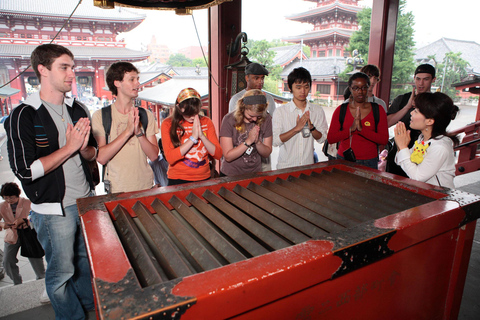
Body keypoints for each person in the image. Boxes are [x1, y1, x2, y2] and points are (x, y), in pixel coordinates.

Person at [4, 44, 96, 319]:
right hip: (54, 209)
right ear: (43, 70)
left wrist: (82, 149)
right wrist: (69, 147)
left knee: (84, 262)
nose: (72, 73)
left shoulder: (77, 108)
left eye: (72, 66)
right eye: (64, 67)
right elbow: (26, 171)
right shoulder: (24, 114)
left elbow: (91, 153)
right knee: (60, 272)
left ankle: (90, 309)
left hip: (86, 200)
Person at [92, 61, 159, 193]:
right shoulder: (102, 116)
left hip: (146, 186)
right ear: (117, 83)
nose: (137, 84)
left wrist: (139, 132)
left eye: (137, 79)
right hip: (117, 189)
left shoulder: (145, 115)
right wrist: (128, 132)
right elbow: (101, 157)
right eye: (132, 80)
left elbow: (154, 156)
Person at [394, 92, 459, 189]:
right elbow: (400, 161)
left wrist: (403, 147)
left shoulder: (440, 147)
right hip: (425, 194)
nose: (411, 113)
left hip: (439, 198)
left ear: (429, 121)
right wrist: (401, 145)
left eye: (416, 111)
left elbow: (417, 177)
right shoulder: (423, 139)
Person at [327, 72, 389, 169]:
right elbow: (331, 138)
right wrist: (350, 130)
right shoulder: (341, 110)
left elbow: (384, 140)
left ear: (368, 87)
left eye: (364, 87)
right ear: (350, 89)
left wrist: (362, 130)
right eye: (356, 88)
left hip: (369, 161)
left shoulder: (378, 109)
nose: (360, 92)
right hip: (344, 159)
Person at [161, 88, 222, 186]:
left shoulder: (206, 122)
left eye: (195, 112)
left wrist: (201, 136)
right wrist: (193, 138)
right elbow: (170, 158)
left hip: (203, 178)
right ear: (179, 108)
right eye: (189, 114)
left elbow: (218, 154)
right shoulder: (168, 124)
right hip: (178, 178)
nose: (193, 117)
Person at [273, 67, 328, 170]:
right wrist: (296, 129)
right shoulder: (280, 112)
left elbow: (322, 139)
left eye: (306, 87)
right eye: (298, 87)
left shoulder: (317, 110)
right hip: (286, 167)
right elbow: (275, 141)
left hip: (308, 166)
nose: (303, 91)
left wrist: (312, 128)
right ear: (290, 87)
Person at [386, 64, 436, 176]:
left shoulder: (436, 103)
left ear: (433, 80)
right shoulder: (402, 99)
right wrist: (407, 107)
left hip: (425, 151)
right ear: (414, 78)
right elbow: (386, 123)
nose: (421, 83)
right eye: (418, 79)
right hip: (399, 149)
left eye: (426, 79)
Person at [229, 62, 276, 171]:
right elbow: (234, 127)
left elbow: (271, 125)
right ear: (247, 78)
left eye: (262, 78)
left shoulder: (269, 99)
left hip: (263, 150)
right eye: (256, 78)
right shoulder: (237, 99)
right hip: (242, 151)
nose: (260, 81)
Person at [0, 183, 46, 285]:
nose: (8, 200)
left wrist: (25, 221)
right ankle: (17, 282)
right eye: (5, 198)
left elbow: (37, 217)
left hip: (29, 235)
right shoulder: (2, 206)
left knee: (35, 258)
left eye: (11, 197)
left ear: (17, 195)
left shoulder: (28, 203)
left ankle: (42, 280)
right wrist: (3, 224)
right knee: (7, 261)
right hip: (12, 235)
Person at [220, 89, 272, 176]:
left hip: (254, 173)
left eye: (258, 116)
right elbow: (228, 156)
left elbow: (267, 153)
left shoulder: (266, 119)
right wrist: (248, 141)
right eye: (251, 116)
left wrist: (257, 142)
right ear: (243, 107)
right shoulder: (229, 119)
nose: (255, 119)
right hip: (230, 173)